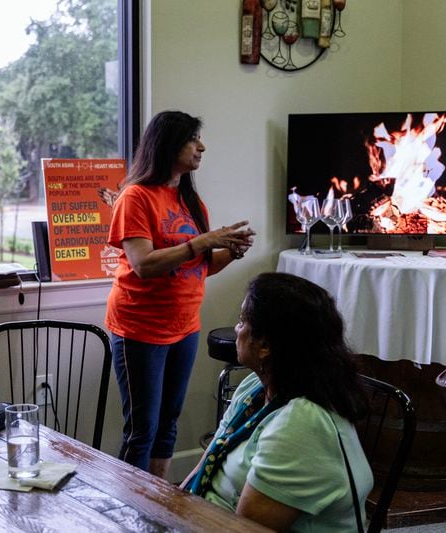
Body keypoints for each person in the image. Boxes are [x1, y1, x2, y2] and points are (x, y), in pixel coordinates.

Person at [106, 111, 255, 478]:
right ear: (168, 144)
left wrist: (230, 252)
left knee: (168, 423)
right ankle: (132, 511)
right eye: (193, 139)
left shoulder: (192, 202)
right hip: (139, 329)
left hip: (184, 326)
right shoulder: (135, 197)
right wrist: (203, 241)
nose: (201, 147)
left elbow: (200, 267)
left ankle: (161, 505)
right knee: (143, 430)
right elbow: (143, 264)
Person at [181, 272, 373, 532]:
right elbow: (210, 459)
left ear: (265, 346)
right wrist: (172, 503)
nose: (237, 330)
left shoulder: (303, 424)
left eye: (242, 321)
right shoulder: (255, 387)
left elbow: (246, 529)